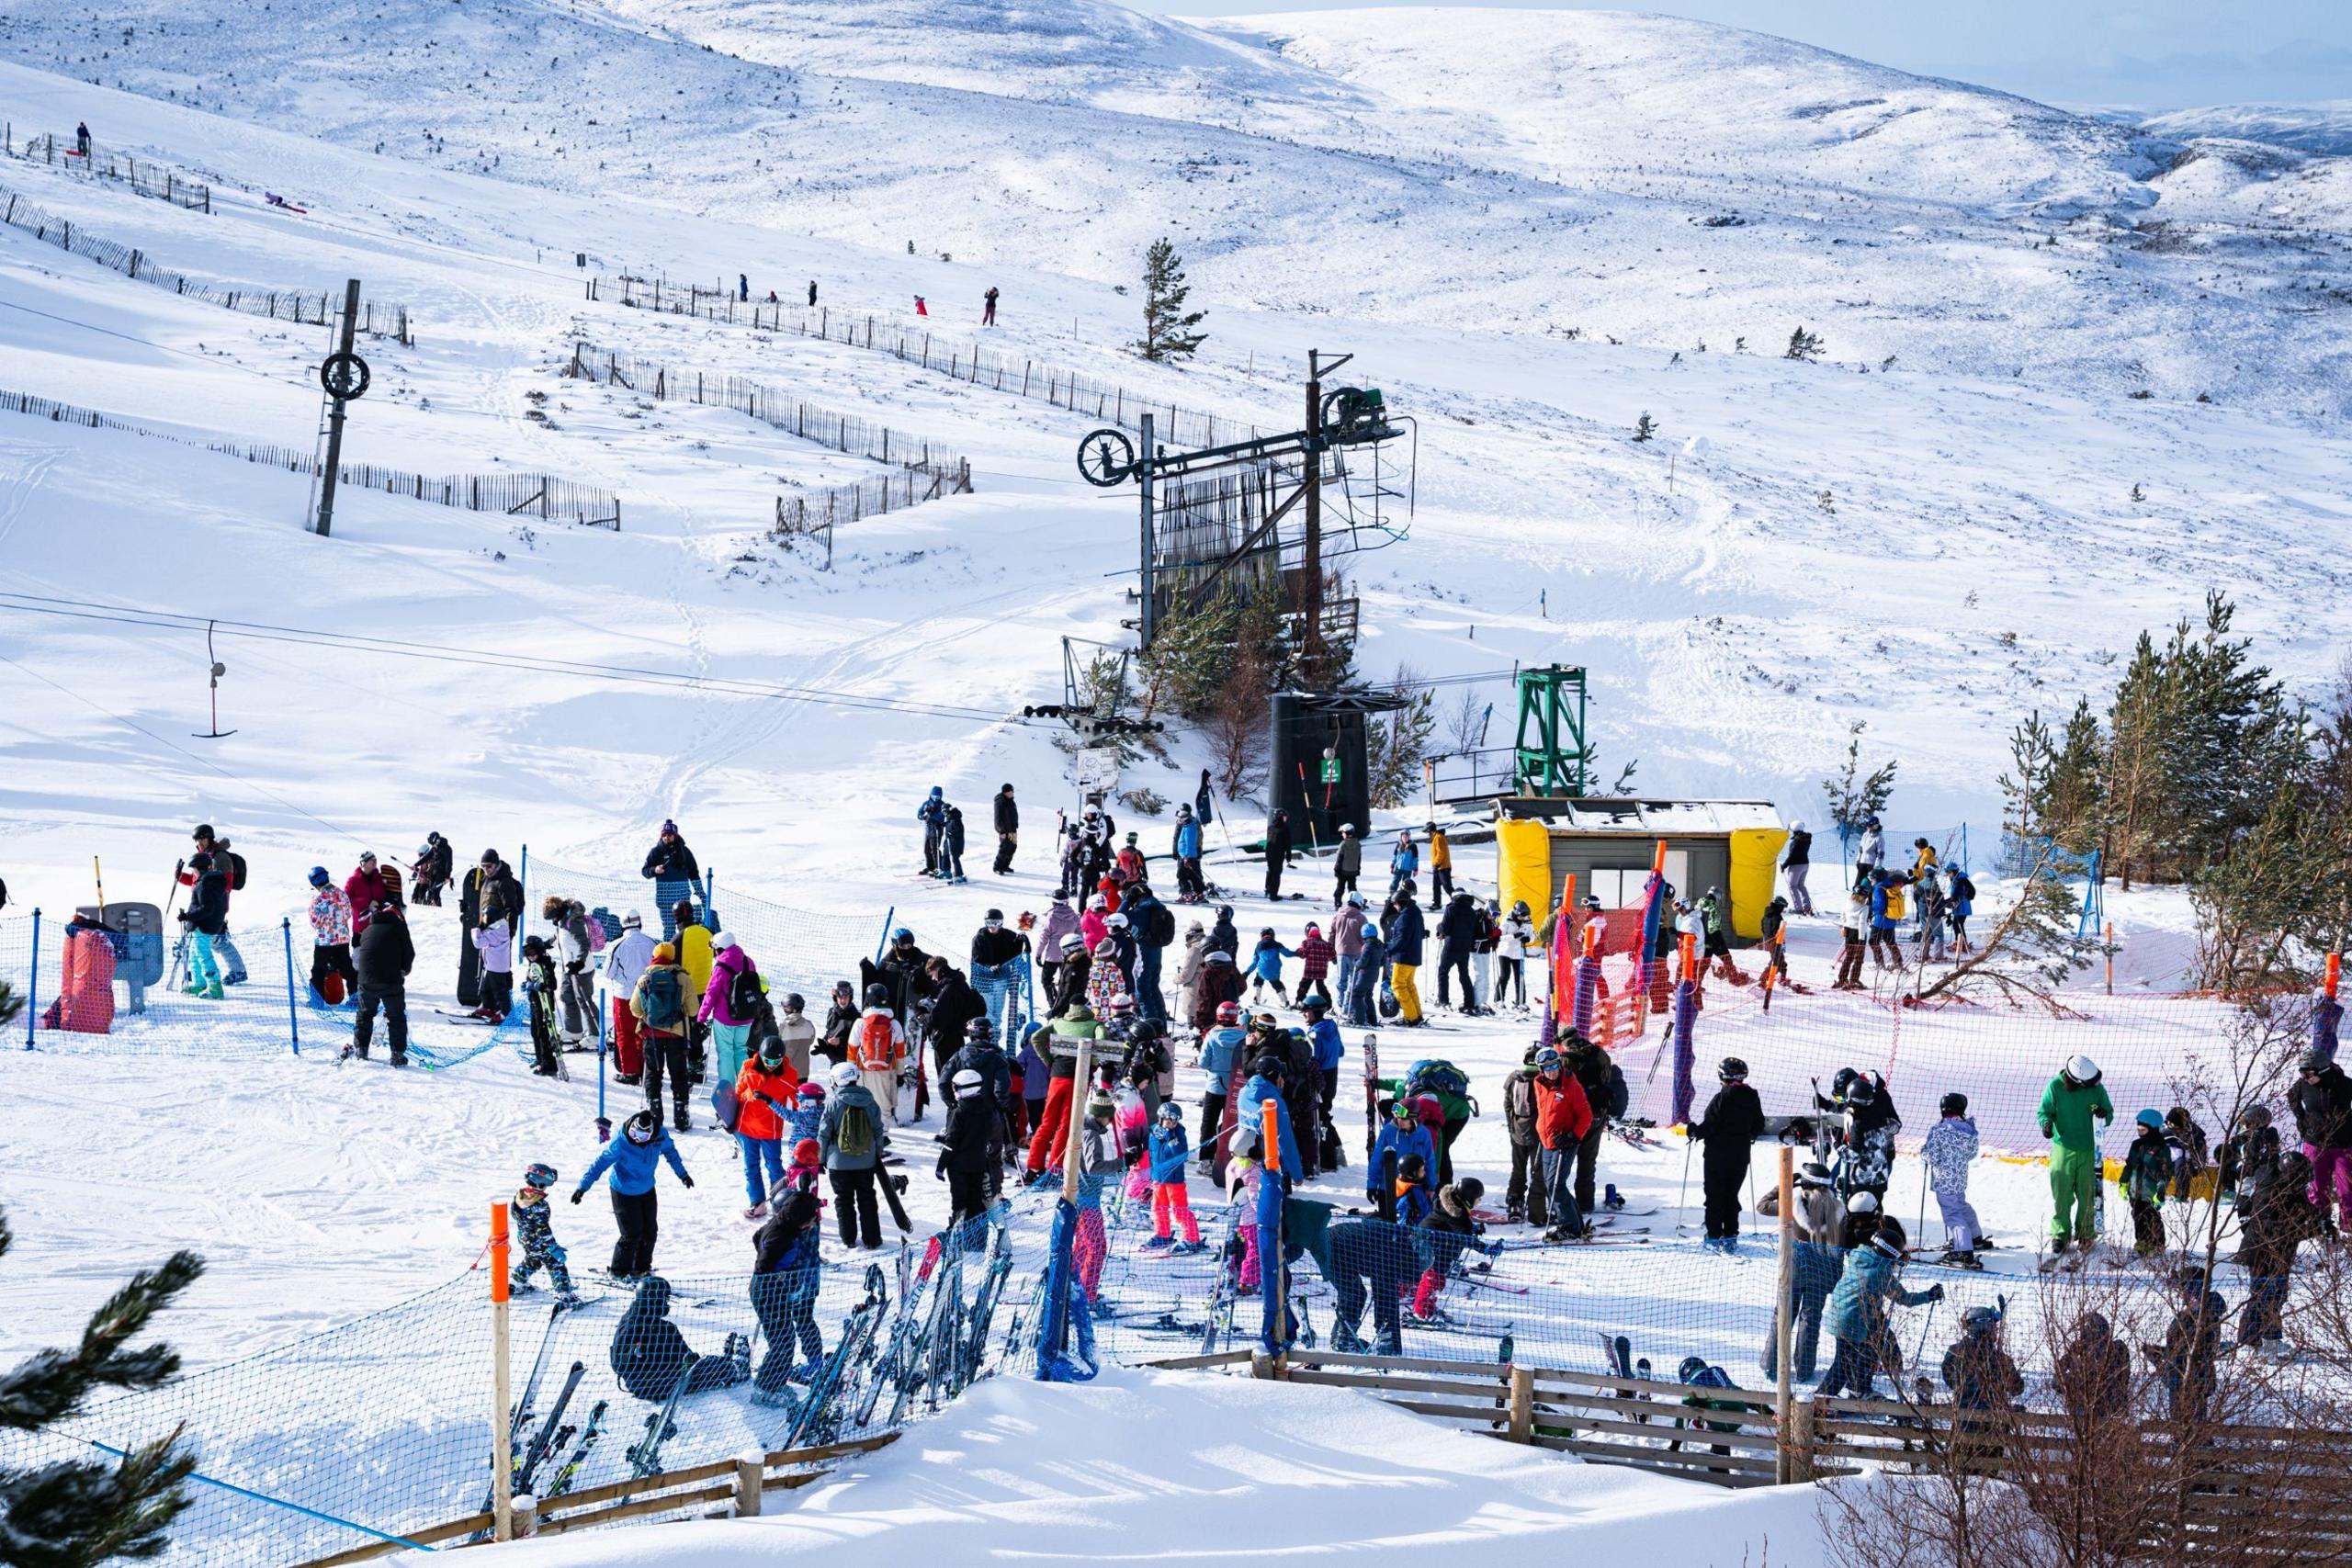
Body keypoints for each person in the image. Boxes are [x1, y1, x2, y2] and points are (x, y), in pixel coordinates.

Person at [1818, 1219, 1941, 1398]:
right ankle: (1823, 1398)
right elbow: (1904, 1298)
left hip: (1842, 1314)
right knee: (1844, 1363)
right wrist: (1928, 1296)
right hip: (1852, 1321)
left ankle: (1860, 1388)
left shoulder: (1861, 1258)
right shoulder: (1879, 1273)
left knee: (1864, 1351)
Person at [573, 1109, 694, 1281]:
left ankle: (641, 1268)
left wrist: (683, 1174)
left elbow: (671, 1153)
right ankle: (618, 1271)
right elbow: (600, 1164)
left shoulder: (660, 1135)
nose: (637, 1139)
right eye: (635, 1134)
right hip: (623, 1191)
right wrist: (582, 1188)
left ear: (651, 1134)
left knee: (650, 1231)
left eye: (643, 1137)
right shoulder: (620, 1143)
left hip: (647, 1189)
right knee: (631, 1233)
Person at [1762, 1162, 1842, 1382]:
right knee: (1811, 1321)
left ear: (1804, 1182)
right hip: (1822, 1274)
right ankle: (1804, 1371)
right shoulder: (1838, 1209)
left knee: (1783, 1317)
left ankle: (1771, 1366)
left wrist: (1784, 1185)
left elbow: (1762, 1205)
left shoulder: (1792, 1204)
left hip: (1793, 1272)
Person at [609, 1276, 746, 1402]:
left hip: (648, 1381)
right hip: (657, 1385)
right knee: (702, 1370)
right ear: (654, 1300)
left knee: (703, 1363)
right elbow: (689, 1361)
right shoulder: (648, 1329)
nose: (666, 1304)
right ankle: (737, 1369)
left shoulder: (633, 1320)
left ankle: (724, 1362)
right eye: (664, 1300)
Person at [749, 1185, 825, 1401]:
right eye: (810, 1220)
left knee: (785, 1338)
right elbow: (763, 1267)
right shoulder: (781, 1236)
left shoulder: (787, 1227)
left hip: (781, 1290)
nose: (813, 1224)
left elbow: (757, 1237)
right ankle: (766, 1388)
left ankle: (774, 1381)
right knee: (782, 1341)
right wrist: (781, 1274)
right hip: (769, 1293)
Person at [2040, 1053, 2115, 1260]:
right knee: (2062, 1193)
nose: (2093, 1085)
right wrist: (2046, 1124)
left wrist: (2103, 1115)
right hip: (2063, 1147)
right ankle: (2060, 1235)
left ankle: (2086, 1234)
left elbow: (2109, 1113)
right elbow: (2044, 1111)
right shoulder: (2055, 1086)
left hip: (2090, 1149)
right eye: (2087, 1083)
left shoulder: (2097, 1089)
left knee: (2087, 1194)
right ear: (2076, 1080)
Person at [1690, 1057, 1764, 1252]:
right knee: (1731, 1195)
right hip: (1740, 1155)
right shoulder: (1752, 1097)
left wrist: (1694, 1131)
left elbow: (1709, 1126)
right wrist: (1746, 1135)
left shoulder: (1722, 1098)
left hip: (1717, 1155)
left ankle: (1714, 1236)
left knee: (1715, 1196)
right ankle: (1731, 1235)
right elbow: (1759, 1125)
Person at [820, 1060, 890, 1248]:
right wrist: (877, 1154)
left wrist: (821, 1159)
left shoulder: (834, 1104)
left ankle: (848, 1238)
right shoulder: (871, 1102)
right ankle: (872, 1239)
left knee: (843, 1201)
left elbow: (824, 1133)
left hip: (838, 1164)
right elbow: (878, 1131)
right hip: (866, 1162)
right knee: (867, 1199)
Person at [2143, 1265, 2226, 1421]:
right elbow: (2184, 1347)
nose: (2180, 1294)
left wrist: (2158, 1357)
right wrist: (2159, 1352)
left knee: (2185, 1429)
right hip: (2192, 1378)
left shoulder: (2197, 1316)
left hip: (2186, 1379)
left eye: (2182, 1288)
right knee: (2194, 1429)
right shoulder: (2203, 1313)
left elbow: (2186, 1351)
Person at [1325, 1215, 1416, 1355]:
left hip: (1343, 1246)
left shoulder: (1396, 1245)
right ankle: (1344, 1341)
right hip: (1334, 1246)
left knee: (1356, 1293)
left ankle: (1343, 1337)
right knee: (1354, 1294)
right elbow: (1384, 1297)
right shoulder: (1391, 1253)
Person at [631, 941, 696, 1130]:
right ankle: (681, 1118)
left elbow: (634, 1008)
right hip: (677, 1035)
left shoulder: (646, 977)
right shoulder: (683, 978)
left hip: (651, 1034)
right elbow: (693, 1011)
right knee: (679, 1074)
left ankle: (654, 1117)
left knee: (653, 1073)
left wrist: (649, 1015)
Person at [735, 1036, 800, 1219]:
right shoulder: (748, 1067)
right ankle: (757, 1202)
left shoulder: (789, 1075)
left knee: (774, 1166)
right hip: (747, 1126)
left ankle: (780, 1202)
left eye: (776, 1061)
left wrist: (803, 1113)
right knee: (751, 1166)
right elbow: (738, 1091)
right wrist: (730, 1114)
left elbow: (796, 1100)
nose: (772, 1065)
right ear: (761, 1056)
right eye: (768, 1061)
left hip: (770, 1130)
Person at [1532, 1048, 1593, 1241]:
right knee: (1553, 1184)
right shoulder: (1539, 1083)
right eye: (1547, 1068)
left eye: (1555, 1066)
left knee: (1555, 1185)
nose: (1552, 1071)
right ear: (1541, 1069)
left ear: (1560, 1064)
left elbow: (1586, 1115)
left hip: (1565, 1142)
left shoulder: (1571, 1086)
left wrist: (1573, 1136)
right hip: (1547, 1140)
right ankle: (1576, 1223)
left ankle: (1570, 1227)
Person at [2291, 1047, 2352, 1235]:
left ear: (2322, 1069)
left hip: (2344, 1144)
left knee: (2347, 1188)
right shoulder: (2303, 1085)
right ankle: (2320, 1223)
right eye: (2301, 1073)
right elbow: (2292, 1098)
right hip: (2315, 1143)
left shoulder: (2345, 1084)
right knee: (2317, 1186)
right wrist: (2301, 1119)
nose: (2304, 1077)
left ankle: (2349, 1225)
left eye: (2308, 1073)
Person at [178, 826, 248, 985]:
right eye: (197, 839)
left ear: (210, 838)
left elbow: (225, 884)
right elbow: (198, 880)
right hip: (205, 905)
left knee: (214, 941)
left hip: (214, 907)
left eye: (202, 839)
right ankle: (199, 974)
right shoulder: (206, 856)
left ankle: (236, 971)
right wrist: (181, 877)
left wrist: (211, 901)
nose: (199, 842)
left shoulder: (220, 858)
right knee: (210, 940)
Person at [937, 1067, 1003, 1233]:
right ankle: (977, 1234)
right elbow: (991, 1135)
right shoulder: (988, 1109)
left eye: (956, 1087)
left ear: (966, 1088)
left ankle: (959, 1230)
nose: (954, 1091)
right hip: (978, 1162)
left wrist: (940, 1166)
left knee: (960, 1199)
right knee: (975, 1198)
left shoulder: (958, 1112)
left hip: (958, 1166)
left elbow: (951, 1142)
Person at [350, 897, 414, 1066]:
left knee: (364, 1014)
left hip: (365, 981)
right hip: (390, 981)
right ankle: (397, 1055)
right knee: (396, 1017)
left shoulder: (368, 930)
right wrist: (404, 971)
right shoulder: (399, 928)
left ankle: (361, 1049)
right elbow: (409, 953)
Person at [1923, 1093, 1984, 1267]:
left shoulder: (1939, 1131)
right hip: (1958, 1179)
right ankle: (1974, 1236)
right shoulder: (1967, 1130)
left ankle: (1963, 1250)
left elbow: (1932, 1156)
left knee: (1953, 1214)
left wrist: (1924, 1152)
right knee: (1961, 1206)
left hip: (1944, 1181)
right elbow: (1971, 1154)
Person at [511, 1163, 579, 1306]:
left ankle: (514, 1283)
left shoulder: (520, 1196)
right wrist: (553, 1247)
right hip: (539, 1241)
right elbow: (543, 1229)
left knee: (533, 1260)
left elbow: (519, 1218)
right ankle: (565, 1294)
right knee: (555, 1263)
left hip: (525, 1238)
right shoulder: (539, 1205)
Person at [459, 849, 520, 1008]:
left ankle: (504, 1005)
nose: (486, 869)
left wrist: (510, 932)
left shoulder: (504, 882)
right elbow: (484, 905)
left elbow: (511, 908)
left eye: (489, 866)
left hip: (500, 933)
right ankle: (488, 1004)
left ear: (497, 864)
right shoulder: (488, 880)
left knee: (499, 971)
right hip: (488, 931)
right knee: (489, 968)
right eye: (483, 866)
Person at [699, 931, 763, 1084]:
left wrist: (702, 1016)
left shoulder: (720, 967)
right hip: (746, 1016)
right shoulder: (749, 962)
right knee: (741, 1050)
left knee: (726, 1053)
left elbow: (711, 993)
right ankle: (744, 1084)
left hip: (725, 1018)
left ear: (719, 948)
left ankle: (727, 1087)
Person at [602, 911, 655, 1085]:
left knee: (625, 1033)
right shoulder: (652, 942)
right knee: (644, 1032)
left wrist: (623, 978)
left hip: (624, 995)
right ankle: (644, 1068)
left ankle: (630, 1071)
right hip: (647, 994)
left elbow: (608, 973)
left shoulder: (617, 945)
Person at [2054, 1312, 2132, 1426]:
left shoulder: (2084, 1364)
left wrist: (2070, 1356)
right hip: (2115, 1415)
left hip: (2088, 1419)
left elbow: (2057, 1383)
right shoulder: (2118, 1350)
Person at [1942, 1307, 2022, 1413]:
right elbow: (2017, 1389)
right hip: (1994, 1421)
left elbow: (1951, 1382)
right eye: (1993, 1327)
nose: (1995, 1331)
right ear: (1985, 1327)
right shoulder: (1999, 1359)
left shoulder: (1955, 1351)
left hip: (1962, 1418)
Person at [849, 982, 909, 1125]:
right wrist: (900, 1074)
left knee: (864, 1104)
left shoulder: (860, 1023)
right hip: (887, 1070)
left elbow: (852, 1050)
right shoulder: (894, 1024)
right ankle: (883, 1136)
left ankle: (865, 1138)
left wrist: (851, 1073)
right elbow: (900, 1053)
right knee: (884, 1106)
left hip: (864, 1071)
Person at [673, 900, 717, 1082]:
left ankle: (695, 1063)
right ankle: (697, 1049)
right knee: (696, 1025)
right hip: (706, 988)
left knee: (688, 1028)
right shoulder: (707, 932)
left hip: (687, 990)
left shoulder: (679, 937)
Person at [2120, 1109, 2175, 1258]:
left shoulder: (2161, 1149)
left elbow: (2165, 1173)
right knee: (2137, 1216)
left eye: (2143, 1130)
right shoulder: (2136, 1145)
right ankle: (2142, 1242)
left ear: (2153, 1129)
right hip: (2134, 1190)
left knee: (2151, 1217)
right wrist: (2123, 1182)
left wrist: (2161, 1192)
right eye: (2138, 1129)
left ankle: (2157, 1244)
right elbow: (2129, 1165)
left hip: (2150, 1191)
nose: (2140, 1133)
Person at [547, 898, 597, 1046]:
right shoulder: (561, 921)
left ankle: (595, 1034)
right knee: (566, 995)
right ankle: (573, 1030)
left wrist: (579, 962)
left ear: (558, 912)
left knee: (584, 1000)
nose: (552, 921)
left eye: (552, 917)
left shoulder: (573, 922)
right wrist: (546, 944)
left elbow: (584, 944)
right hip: (568, 967)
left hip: (581, 968)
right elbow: (557, 936)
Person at [640, 820, 703, 940]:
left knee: (685, 928)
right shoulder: (656, 852)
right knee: (669, 929)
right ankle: (669, 955)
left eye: (669, 835)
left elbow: (694, 873)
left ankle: (686, 952)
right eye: (664, 835)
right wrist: (654, 870)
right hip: (664, 899)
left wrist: (700, 892)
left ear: (675, 835)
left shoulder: (685, 852)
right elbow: (645, 871)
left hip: (682, 898)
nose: (666, 837)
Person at [305, 865, 356, 1006]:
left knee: (319, 971)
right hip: (342, 938)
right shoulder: (341, 893)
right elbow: (348, 914)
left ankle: (317, 1001)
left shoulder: (317, 899)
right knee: (348, 968)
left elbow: (315, 922)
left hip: (325, 941)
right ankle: (356, 998)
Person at [521, 935, 564, 1077]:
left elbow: (553, 985)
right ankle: (539, 1058)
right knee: (534, 1031)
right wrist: (527, 984)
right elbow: (532, 978)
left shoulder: (545, 963)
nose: (530, 956)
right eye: (526, 953)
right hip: (534, 1002)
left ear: (539, 951)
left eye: (532, 952)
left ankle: (548, 1063)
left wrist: (540, 986)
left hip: (544, 1004)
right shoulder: (534, 963)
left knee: (542, 1033)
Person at [1433, 891, 1481, 1012]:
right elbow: (1474, 930)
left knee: (1443, 972)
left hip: (1451, 947)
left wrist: (1439, 927)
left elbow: (1445, 928)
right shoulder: (1471, 911)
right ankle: (1469, 1003)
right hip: (1465, 948)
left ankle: (1443, 1000)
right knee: (1464, 975)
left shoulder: (1451, 908)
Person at [1385, 894, 1426, 1026]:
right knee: (1409, 985)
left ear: (1400, 903)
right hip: (1414, 955)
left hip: (1403, 957)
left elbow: (1400, 940)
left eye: (1395, 904)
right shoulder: (1416, 912)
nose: (1395, 907)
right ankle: (1417, 1015)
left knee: (1398, 985)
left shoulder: (1404, 918)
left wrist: (1388, 950)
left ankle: (1411, 1017)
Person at [345, 852, 393, 943]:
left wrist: (382, 902)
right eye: (372, 860)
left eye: (375, 860)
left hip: (379, 924)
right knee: (359, 954)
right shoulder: (353, 880)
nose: (375, 862)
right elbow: (346, 900)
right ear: (363, 863)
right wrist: (367, 902)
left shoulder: (380, 878)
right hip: (360, 926)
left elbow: (386, 896)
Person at [1245, 927, 1294, 1008]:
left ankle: (1257, 998)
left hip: (1262, 970)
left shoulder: (1259, 945)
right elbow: (1287, 954)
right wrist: (1298, 953)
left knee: (1259, 978)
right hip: (1275, 970)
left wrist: (1247, 972)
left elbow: (1254, 962)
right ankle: (1285, 1001)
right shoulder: (1277, 944)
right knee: (1276, 983)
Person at [818, 980, 858, 1068]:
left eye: (846, 997)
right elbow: (830, 1031)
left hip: (848, 1060)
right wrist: (825, 1044)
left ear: (850, 998)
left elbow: (858, 1040)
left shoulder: (855, 1016)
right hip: (834, 1059)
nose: (843, 1001)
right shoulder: (832, 1012)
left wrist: (841, 1041)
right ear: (835, 998)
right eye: (840, 998)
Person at [1170, 805, 1205, 901]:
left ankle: (1187, 894)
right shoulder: (1192, 822)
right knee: (1194, 873)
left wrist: (1183, 854)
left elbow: (1179, 838)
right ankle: (1199, 892)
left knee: (1182, 874)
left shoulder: (1188, 824)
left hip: (1186, 854)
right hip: (1192, 852)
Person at [412, 832, 454, 907]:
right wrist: (416, 864)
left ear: (437, 840)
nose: (433, 846)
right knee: (430, 890)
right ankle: (429, 909)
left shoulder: (446, 849)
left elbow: (449, 863)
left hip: (442, 874)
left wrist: (447, 876)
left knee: (435, 891)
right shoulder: (435, 847)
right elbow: (427, 857)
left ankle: (436, 909)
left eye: (433, 844)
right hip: (434, 872)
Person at [1781, 819, 1814, 915]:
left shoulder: (1796, 841)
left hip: (1796, 866)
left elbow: (1792, 856)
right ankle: (1807, 907)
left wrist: (1784, 865)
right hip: (1805, 865)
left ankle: (1798, 908)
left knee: (1793, 886)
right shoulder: (1806, 839)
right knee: (1801, 885)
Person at [916, 786, 947, 877]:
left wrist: (931, 815)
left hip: (937, 830)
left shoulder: (942, 805)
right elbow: (919, 813)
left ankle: (939, 868)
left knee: (935, 850)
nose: (935, 798)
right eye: (933, 796)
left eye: (937, 797)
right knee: (926, 850)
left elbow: (941, 817)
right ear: (930, 795)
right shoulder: (926, 803)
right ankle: (930, 868)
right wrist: (923, 816)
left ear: (940, 797)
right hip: (928, 830)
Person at [1262, 809, 1294, 900]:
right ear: (1280, 817)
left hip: (1269, 853)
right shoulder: (1285, 828)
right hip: (1278, 854)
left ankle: (1268, 890)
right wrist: (1288, 856)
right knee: (1276, 874)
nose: (1286, 818)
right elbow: (1288, 844)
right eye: (1284, 817)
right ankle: (1273, 895)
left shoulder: (1270, 827)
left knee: (1270, 871)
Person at [1331, 823, 1361, 904]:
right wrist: (1358, 869)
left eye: (1343, 833)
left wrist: (1336, 869)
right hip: (1353, 871)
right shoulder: (1357, 844)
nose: (1342, 834)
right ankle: (1355, 902)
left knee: (1340, 887)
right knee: (1352, 888)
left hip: (1343, 871)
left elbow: (1339, 859)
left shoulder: (1343, 844)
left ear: (1346, 833)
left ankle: (1338, 902)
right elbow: (1358, 858)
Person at [1426, 826, 1453, 906]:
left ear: (1431, 831)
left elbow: (1441, 852)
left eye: (1428, 833)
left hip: (1443, 867)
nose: (1428, 835)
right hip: (1438, 867)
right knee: (1436, 886)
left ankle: (1457, 901)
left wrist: (1437, 863)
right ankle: (1436, 903)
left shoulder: (1438, 837)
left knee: (1447, 887)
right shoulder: (1436, 837)